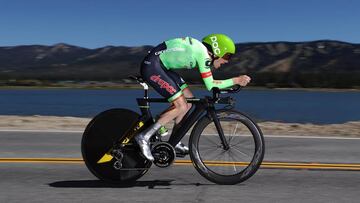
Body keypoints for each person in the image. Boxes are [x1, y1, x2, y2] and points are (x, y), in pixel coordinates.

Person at [135, 34, 251, 161]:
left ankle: (174, 140)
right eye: (227, 56)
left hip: (161, 66)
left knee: (189, 101)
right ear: (218, 51)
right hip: (153, 67)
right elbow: (210, 84)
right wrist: (236, 80)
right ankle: (144, 136)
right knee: (181, 105)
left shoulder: (201, 50)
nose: (227, 60)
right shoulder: (203, 55)